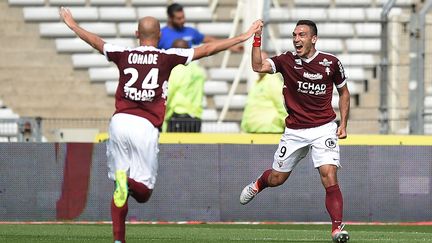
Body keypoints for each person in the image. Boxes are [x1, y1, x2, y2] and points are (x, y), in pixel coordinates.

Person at [59, 7, 262, 243]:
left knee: (119, 185)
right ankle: (127, 184)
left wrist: (72, 24)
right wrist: (242, 36)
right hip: (145, 126)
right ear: (158, 36)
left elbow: (97, 42)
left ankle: (118, 239)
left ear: (137, 34)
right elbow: (206, 49)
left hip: (119, 122)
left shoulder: (123, 53)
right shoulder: (167, 56)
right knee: (143, 193)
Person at [239, 20, 350, 243]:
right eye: (294, 35)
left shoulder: (331, 63)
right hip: (295, 130)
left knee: (329, 174)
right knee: (278, 178)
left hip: (323, 128)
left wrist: (343, 124)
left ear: (313, 39)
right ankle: (259, 184)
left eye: (302, 35)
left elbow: (344, 93)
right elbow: (257, 67)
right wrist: (257, 38)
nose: (296, 39)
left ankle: (337, 229)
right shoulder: (286, 60)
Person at [158, 2, 242, 52]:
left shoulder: (190, 32)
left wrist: (231, 46)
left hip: (188, 72)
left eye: (183, 17)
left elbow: (210, 40)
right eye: (179, 18)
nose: (182, 20)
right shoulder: (161, 35)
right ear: (170, 18)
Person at [163, 39, 206, 132]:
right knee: (191, 146)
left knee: (174, 147)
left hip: (178, 116)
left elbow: (168, 93)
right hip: (196, 118)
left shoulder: (175, 70)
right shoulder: (198, 70)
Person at [241, 51, 287, 133]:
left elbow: (283, 106)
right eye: (257, 61)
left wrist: (278, 124)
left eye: (262, 61)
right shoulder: (257, 82)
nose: (259, 63)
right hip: (254, 134)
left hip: (269, 133)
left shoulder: (273, 81)